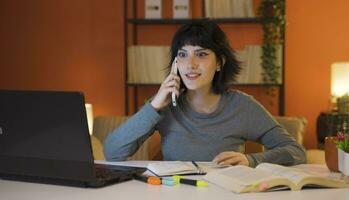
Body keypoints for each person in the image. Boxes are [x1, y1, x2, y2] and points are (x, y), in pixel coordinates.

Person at [104, 19, 306, 167]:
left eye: (201, 54)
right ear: (175, 63)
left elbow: (296, 152)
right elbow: (112, 152)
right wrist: (155, 105)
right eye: (182, 55)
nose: (190, 65)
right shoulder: (164, 105)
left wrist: (251, 160)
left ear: (219, 62)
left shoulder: (243, 107)